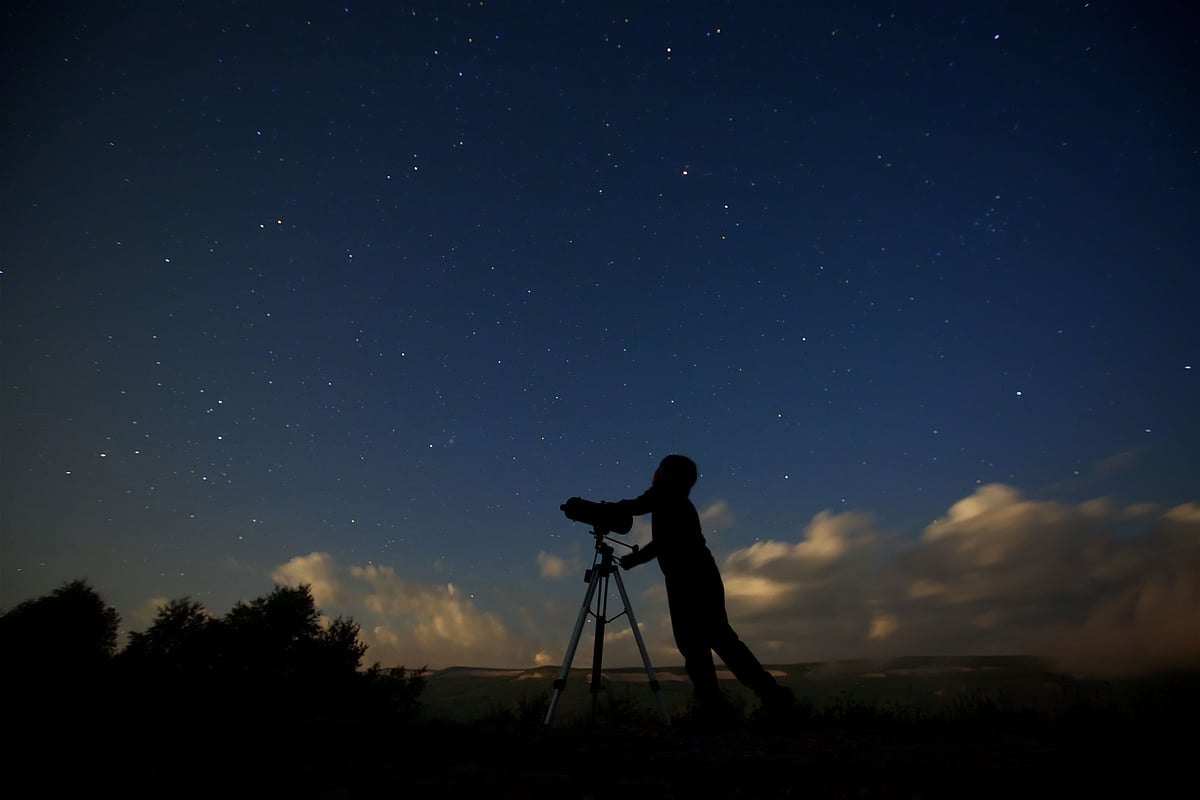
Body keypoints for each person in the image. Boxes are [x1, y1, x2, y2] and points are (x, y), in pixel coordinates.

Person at [565, 454, 793, 721]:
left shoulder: (664, 495)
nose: (656, 473)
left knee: (707, 643)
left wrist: (605, 510)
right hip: (697, 577)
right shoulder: (676, 501)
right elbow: (663, 541)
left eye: (660, 469)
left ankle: (754, 700)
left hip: (690, 580)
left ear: (668, 475)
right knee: (708, 643)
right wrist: (634, 559)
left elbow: (637, 507)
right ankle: (736, 703)